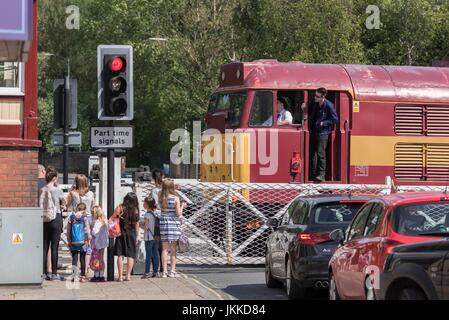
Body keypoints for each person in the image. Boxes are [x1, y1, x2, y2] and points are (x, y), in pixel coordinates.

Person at [303, 87, 338, 182]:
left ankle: (321, 174)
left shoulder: (329, 106)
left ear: (323, 97)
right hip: (314, 130)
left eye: (317, 96)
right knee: (313, 153)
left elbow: (335, 119)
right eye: (315, 95)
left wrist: (324, 123)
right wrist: (304, 107)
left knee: (320, 153)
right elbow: (309, 111)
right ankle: (313, 174)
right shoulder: (315, 103)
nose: (315, 97)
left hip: (323, 133)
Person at [40, 166, 66, 281]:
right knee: (54, 246)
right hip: (55, 218)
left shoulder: (42, 189)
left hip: (44, 219)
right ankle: (54, 273)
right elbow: (64, 203)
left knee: (45, 246)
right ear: (54, 178)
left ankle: (44, 273)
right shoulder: (57, 190)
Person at [65, 175, 95, 275]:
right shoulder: (91, 193)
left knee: (75, 243)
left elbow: (66, 205)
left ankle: (76, 270)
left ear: (76, 182)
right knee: (87, 246)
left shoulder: (73, 193)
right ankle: (85, 269)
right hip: (88, 219)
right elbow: (92, 207)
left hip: (76, 221)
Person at [159, 179, 186, 278]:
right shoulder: (175, 198)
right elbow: (179, 213)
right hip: (173, 223)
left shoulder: (161, 197)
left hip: (163, 223)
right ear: (172, 187)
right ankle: (172, 271)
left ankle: (164, 272)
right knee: (173, 248)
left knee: (164, 249)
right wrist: (183, 206)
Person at [112, 192, 140, 281]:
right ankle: (128, 276)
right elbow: (137, 225)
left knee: (120, 255)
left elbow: (113, 217)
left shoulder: (120, 208)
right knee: (130, 255)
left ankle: (120, 276)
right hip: (131, 234)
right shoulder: (135, 210)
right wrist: (137, 236)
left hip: (120, 233)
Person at [67, 202, 91, 283]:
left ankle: (74, 276)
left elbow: (68, 230)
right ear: (84, 210)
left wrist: (69, 240)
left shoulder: (71, 217)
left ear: (77, 208)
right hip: (83, 241)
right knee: (82, 259)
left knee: (74, 259)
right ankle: (83, 277)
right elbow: (87, 230)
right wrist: (88, 239)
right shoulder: (84, 218)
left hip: (73, 241)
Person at [141, 196, 161, 279]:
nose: (143, 204)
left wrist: (141, 224)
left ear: (147, 205)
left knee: (149, 255)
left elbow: (146, 227)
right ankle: (156, 271)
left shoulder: (147, 214)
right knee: (156, 254)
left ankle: (147, 272)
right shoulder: (156, 213)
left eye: (144, 203)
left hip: (149, 237)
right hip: (156, 236)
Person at [90, 205, 108, 282]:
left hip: (96, 243)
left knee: (96, 258)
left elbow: (94, 232)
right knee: (101, 258)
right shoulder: (104, 221)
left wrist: (91, 229)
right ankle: (101, 274)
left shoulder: (96, 222)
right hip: (103, 242)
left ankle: (97, 274)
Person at [151, 168, 164, 273]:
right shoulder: (166, 189)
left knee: (156, 242)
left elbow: (155, 205)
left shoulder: (154, 190)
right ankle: (163, 266)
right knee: (164, 243)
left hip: (156, 218)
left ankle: (156, 266)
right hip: (166, 217)